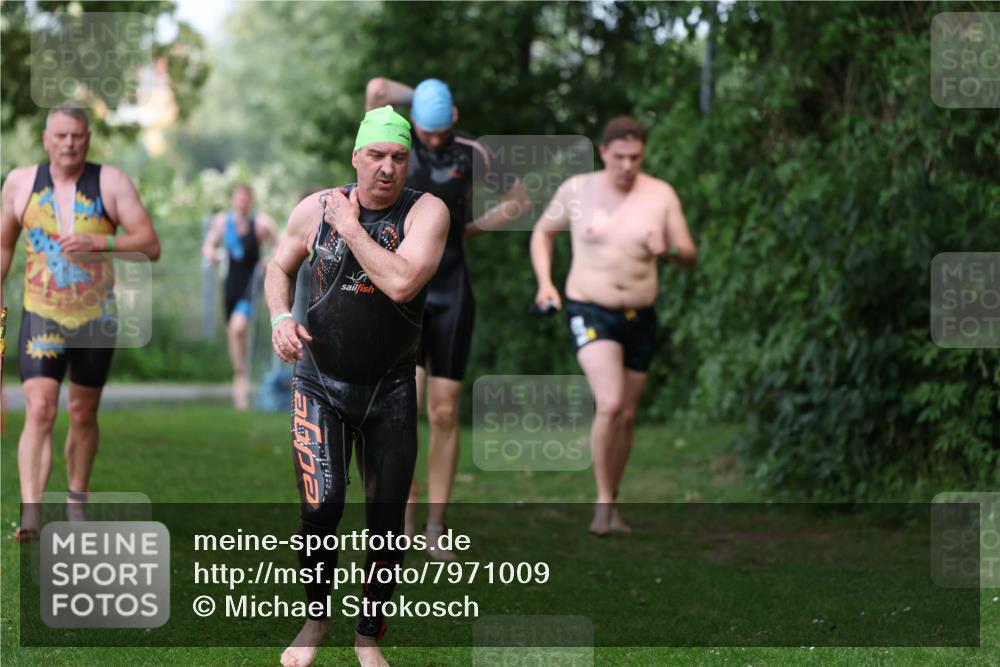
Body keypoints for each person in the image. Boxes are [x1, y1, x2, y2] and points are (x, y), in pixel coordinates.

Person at [265, 106, 448, 667]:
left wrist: (349, 227)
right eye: (376, 155)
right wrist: (279, 317)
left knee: (386, 519)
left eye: (398, 156)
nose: (387, 168)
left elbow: (400, 281)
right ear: (356, 157)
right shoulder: (312, 209)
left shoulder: (427, 213)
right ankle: (316, 619)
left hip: (389, 388)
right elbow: (279, 267)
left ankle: (368, 640)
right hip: (319, 383)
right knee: (322, 507)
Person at [365, 77, 528, 557]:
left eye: (439, 131)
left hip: (453, 294)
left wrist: (470, 230)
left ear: (453, 119)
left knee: (444, 412)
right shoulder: (396, 145)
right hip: (404, 293)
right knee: (401, 413)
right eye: (425, 131)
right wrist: (420, 95)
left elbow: (520, 200)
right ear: (415, 121)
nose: (432, 141)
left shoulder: (470, 152)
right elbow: (375, 91)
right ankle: (404, 519)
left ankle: (436, 526)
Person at [0, 103, 161, 540]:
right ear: (46, 140)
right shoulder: (19, 183)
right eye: (61, 136)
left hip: (95, 318)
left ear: (88, 139)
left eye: (77, 135)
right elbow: (3, 248)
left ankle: (75, 502)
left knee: (82, 412)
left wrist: (100, 241)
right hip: (42, 313)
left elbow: (150, 244)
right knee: (39, 408)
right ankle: (32, 513)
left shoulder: (110, 181)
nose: (69, 143)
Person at [530, 116, 697, 536]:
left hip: (640, 315)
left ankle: (613, 500)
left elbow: (689, 253)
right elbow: (543, 232)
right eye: (619, 156)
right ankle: (603, 504)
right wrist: (546, 282)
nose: (627, 165)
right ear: (604, 152)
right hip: (589, 309)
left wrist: (669, 249)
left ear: (643, 155)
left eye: (635, 157)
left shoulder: (660, 194)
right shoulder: (577, 190)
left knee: (625, 414)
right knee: (609, 402)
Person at [202, 184, 279, 409]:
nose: (242, 202)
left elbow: (280, 245)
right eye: (239, 198)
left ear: (251, 201)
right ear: (233, 200)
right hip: (229, 286)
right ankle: (240, 375)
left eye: (246, 198)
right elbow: (208, 246)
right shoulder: (222, 222)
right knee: (234, 334)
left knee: (238, 328)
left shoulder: (261, 223)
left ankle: (241, 376)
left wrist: (270, 261)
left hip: (250, 285)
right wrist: (213, 254)